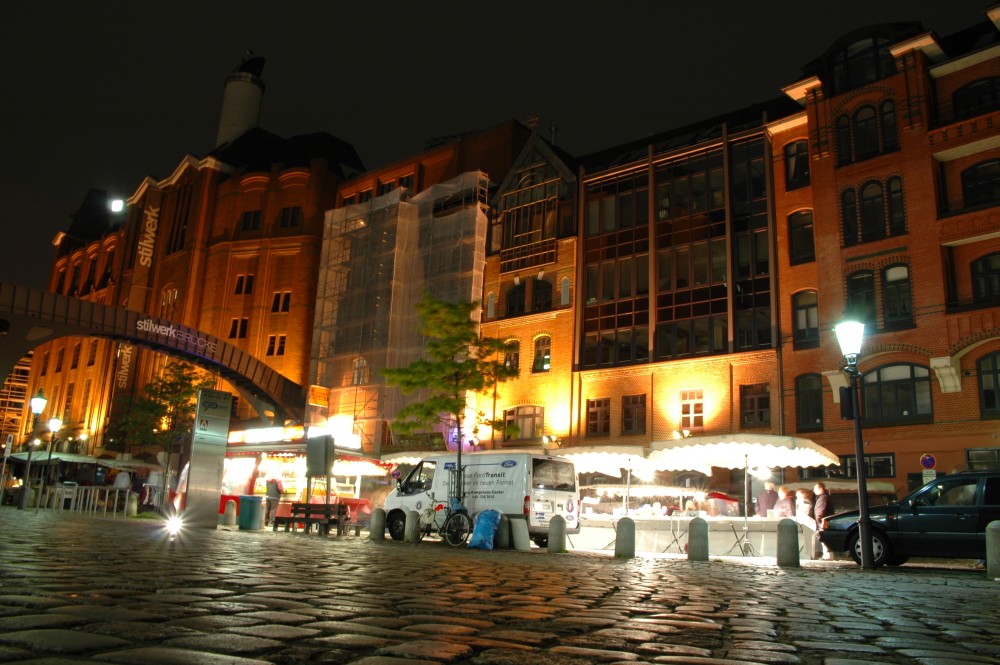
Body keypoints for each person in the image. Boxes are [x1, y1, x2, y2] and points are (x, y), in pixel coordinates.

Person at [812, 482, 831, 558]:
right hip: (825, 522)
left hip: (823, 523)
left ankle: (827, 556)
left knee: (824, 540)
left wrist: (819, 523)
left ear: (821, 489)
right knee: (825, 540)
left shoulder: (823, 498)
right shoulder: (825, 497)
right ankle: (827, 555)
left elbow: (819, 512)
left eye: (815, 488)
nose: (813, 490)